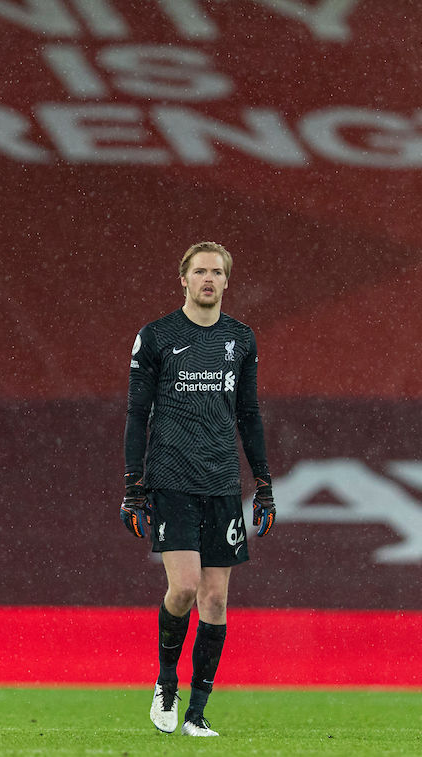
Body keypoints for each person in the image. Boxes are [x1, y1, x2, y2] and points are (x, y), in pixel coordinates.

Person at [120, 241, 276, 737]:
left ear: (228, 281)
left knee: (215, 601)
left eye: (217, 272)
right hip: (171, 481)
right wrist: (133, 486)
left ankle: (197, 712)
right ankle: (166, 685)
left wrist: (264, 485)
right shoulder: (158, 337)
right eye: (200, 271)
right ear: (182, 279)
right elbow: (136, 416)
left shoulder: (241, 340)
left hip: (222, 484)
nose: (208, 279)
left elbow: (248, 415)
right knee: (184, 588)